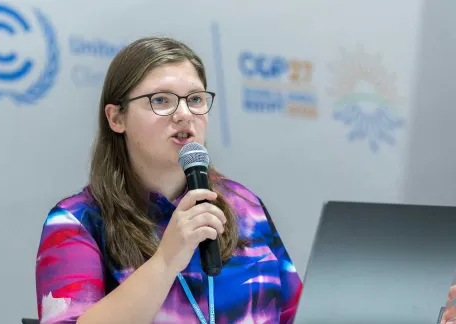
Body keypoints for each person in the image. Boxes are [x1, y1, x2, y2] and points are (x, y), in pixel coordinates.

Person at [35, 36, 302, 324]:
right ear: (116, 119)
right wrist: (165, 261)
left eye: (196, 99)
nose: (184, 114)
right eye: (161, 100)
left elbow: (299, 315)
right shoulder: (76, 222)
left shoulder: (246, 207)